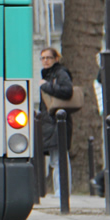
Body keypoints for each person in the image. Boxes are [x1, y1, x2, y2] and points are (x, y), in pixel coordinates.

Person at [39, 46, 74, 194]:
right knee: (56, 159)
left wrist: (46, 86)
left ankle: (62, 192)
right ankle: (60, 192)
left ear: (56, 59)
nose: (45, 61)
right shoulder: (49, 74)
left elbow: (67, 90)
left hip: (57, 122)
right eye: (43, 58)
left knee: (59, 159)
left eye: (48, 58)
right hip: (50, 123)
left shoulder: (60, 73)